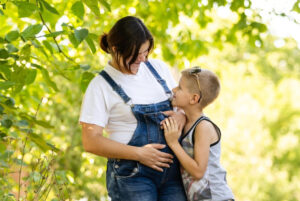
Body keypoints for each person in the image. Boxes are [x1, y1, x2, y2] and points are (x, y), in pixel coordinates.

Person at [79, 16, 187, 201]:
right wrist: (139, 154)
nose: (143, 59)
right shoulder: (100, 86)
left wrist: (182, 117)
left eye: (146, 52)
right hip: (132, 176)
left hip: (172, 173)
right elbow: (91, 141)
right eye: (136, 54)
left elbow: (185, 105)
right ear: (115, 49)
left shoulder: (158, 69)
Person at [162, 67, 235, 201]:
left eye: (179, 88)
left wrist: (173, 143)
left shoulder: (203, 127)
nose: (173, 90)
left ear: (194, 98)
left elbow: (198, 171)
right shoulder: (188, 122)